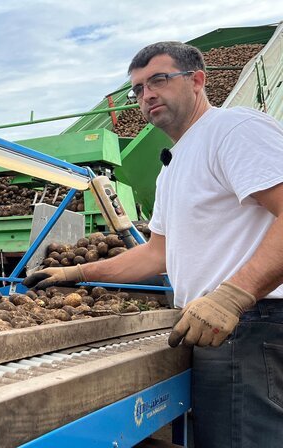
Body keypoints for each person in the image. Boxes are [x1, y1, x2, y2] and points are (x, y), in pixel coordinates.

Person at [24, 41, 283, 447]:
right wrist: (77, 272)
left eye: (158, 80)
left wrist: (233, 296)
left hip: (252, 322)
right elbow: (154, 254)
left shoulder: (232, 129)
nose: (147, 95)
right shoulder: (173, 166)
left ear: (197, 81)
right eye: (138, 89)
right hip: (209, 326)